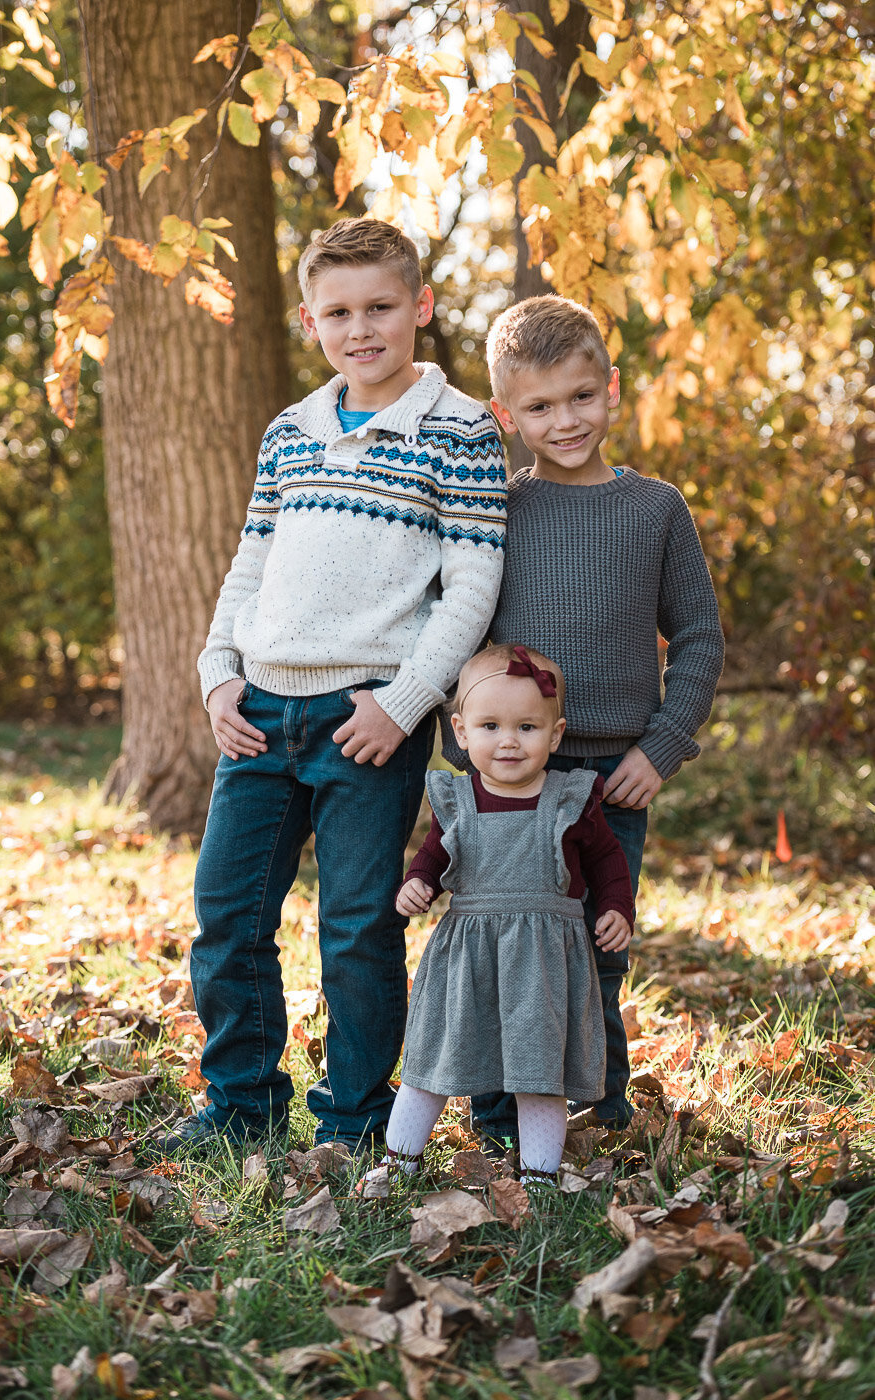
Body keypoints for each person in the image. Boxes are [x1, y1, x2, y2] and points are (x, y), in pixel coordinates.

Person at [151, 219, 506, 1156]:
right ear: (311, 321)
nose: (361, 329)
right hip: (260, 715)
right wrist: (216, 677)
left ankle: (352, 1119)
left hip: (368, 717)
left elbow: (472, 586)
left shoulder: (461, 429)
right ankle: (241, 1103)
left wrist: (406, 701)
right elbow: (249, 566)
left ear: (419, 309)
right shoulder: (291, 431)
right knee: (227, 920)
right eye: (338, 312)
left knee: (355, 931)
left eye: (381, 307)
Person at [456, 294, 725, 1145]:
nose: (563, 420)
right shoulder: (497, 510)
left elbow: (700, 637)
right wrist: (466, 756)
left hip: (613, 777)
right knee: (504, 945)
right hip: (510, 774)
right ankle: (497, 1113)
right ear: (506, 415)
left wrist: (662, 745)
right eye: (537, 407)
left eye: (580, 397)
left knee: (593, 948)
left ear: (611, 389)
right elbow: (462, 638)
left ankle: (598, 1106)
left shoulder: (655, 510)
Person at [362, 644, 634, 1187]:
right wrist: (418, 884)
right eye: (490, 725)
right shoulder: (459, 800)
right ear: (461, 733)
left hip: (543, 961)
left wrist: (616, 907)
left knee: (539, 1071)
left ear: (555, 736)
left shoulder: (570, 800)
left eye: (527, 727)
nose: (508, 740)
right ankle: (399, 1162)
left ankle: (538, 1173)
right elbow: (435, 855)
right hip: (467, 953)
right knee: (433, 1060)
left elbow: (608, 860)